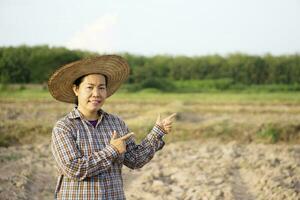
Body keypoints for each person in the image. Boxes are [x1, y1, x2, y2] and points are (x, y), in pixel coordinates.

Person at [48, 55, 176, 199]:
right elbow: (75, 169)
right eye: (90, 87)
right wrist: (113, 150)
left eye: (101, 88)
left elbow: (135, 159)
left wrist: (158, 131)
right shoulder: (64, 127)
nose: (96, 94)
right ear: (76, 89)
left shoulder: (115, 123)